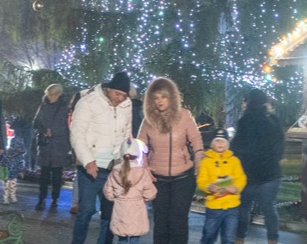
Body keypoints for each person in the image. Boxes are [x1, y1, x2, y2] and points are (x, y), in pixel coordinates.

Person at [138, 77, 204, 244]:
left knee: (178, 221)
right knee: (160, 221)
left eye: (164, 96)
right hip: (158, 178)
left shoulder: (184, 115)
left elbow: (196, 142)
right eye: (156, 97)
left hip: (183, 178)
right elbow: (139, 147)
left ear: (171, 97)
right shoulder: (148, 120)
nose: (159, 101)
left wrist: (198, 163)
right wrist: (144, 167)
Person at [70, 70, 133, 244]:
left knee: (109, 213)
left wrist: (126, 159)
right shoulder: (89, 102)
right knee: (86, 211)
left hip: (114, 168)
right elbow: (77, 133)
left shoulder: (126, 106)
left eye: (124, 95)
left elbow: (127, 134)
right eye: (117, 93)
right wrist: (88, 160)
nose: (120, 98)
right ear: (109, 89)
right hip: (91, 167)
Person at [231, 89, 284, 244]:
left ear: (248, 103)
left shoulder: (244, 122)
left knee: (243, 209)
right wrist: (273, 159)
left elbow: (236, 147)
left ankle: (239, 238)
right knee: (269, 210)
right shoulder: (273, 120)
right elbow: (280, 145)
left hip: (248, 174)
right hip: (270, 173)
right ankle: (272, 240)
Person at [103, 137, 157, 244]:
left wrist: (116, 197)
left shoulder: (115, 172)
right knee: (134, 239)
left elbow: (108, 192)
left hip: (120, 210)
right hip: (137, 209)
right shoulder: (142, 172)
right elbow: (150, 193)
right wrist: (143, 198)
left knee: (121, 239)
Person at [197, 128, 246, 244]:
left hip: (232, 206)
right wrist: (209, 187)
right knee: (209, 235)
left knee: (229, 238)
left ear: (228, 144)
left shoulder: (234, 161)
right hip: (214, 207)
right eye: (217, 140)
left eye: (223, 141)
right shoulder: (206, 161)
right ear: (212, 143)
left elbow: (241, 177)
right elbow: (201, 179)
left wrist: (236, 187)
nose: (220, 143)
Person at [33, 82, 71, 210]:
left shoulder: (65, 107)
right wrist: (44, 130)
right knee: (44, 174)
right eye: (48, 94)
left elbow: (68, 126)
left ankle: (55, 199)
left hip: (59, 145)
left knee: (57, 174)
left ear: (58, 95)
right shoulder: (43, 105)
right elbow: (36, 121)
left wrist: (54, 131)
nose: (50, 97)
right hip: (46, 144)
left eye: (52, 95)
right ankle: (41, 198)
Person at [0, 130, 27, 204]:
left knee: (8, 184)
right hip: (10, 170)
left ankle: (7, 198)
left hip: (8, 170)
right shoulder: (19, 155)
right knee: (11, 184)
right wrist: (21, 171)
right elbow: (21, 163)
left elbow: (2, 161)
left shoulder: (8, 153)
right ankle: (10, 197)